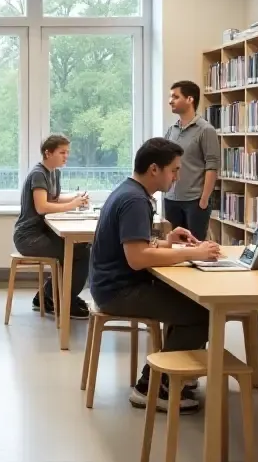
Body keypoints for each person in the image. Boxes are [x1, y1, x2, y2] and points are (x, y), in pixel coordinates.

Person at [89, 137, 221, 414]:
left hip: (111, 283)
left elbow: (137, 244)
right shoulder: (135, 200)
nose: (177, 177)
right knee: (202, 312)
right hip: (118, 290)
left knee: (185, 305)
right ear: (154, 169)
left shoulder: (129, 192)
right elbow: (137, 259)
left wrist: (169, 242)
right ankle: (152, 386)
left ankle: (175, 372)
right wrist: (192, 254)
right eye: (173, 170)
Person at [13, 134, 92, 318]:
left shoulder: (54, 172)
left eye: (67, 153)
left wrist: (76, 198)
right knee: (80, 251)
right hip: (29, 237)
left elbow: (53, 198)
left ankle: (47, 296)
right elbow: (42, 207)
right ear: (48, 153)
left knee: (79, 248)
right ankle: (65, 299)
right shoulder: (38, 174)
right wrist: (72, 205)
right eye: (62, 152)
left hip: (42, 233)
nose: (66, 156)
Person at [163, 80, 220, 241]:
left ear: (190, 99)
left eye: (175, 96)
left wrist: (204, 199)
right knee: (175, 247)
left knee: (195, 248)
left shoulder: (206, 130)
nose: (170, 101)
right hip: (171, 199)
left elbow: (212, 166)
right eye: (170, 97)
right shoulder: (171, 130)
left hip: (194, 202)